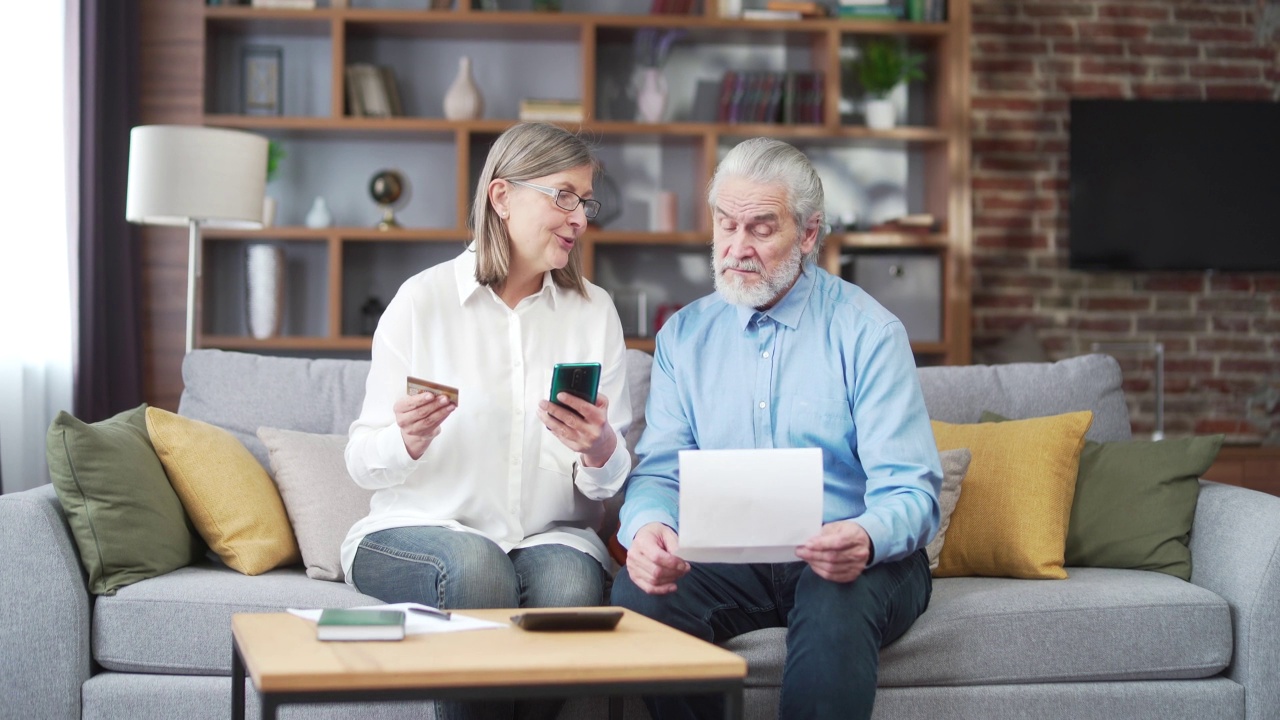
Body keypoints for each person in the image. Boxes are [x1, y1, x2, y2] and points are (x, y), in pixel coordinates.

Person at [611, 137, 942, 720]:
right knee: (640, 593)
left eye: (761, 228)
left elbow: (912, 491)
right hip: (732, 559)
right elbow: (661, 472)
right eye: (725, 225)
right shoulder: (683, 338)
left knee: (833, 592)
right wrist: (647, 530)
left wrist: (863, 537)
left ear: (808, 235)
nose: (737, 248)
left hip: (854, 557)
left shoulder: (868, 332)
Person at [342, 122, 631, 623]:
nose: (580, 218)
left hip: (548, 537)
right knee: (478, 569)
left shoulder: (594, 311)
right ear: (502, 196)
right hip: (419, 527)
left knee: (569, 589)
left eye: (585, 201)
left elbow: (606, 484)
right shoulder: (421, 302)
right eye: (564, 197)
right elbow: (362, 464)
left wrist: (598, 446)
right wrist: (405, 439)